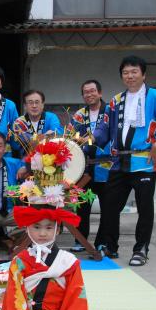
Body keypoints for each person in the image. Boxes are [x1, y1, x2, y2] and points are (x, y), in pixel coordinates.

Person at [0, 140, 113, 310]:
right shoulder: (18, 262)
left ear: (58, 230)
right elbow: (14, 301)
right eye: (37, 227)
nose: (42, 233)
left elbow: (76, 299)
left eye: (49, 228)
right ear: (28, 229)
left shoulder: (69, 263)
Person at [94, 55, 156, 266]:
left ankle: (141, 249)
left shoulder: (155, 96)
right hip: (118, 162)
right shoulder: (115, 101)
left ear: (143, 74)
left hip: (144, 162)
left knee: (144, 208)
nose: (130, 76)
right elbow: (103, 130)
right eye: (126, 72)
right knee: (111, 207)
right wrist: (86, 142)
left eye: (134, 72)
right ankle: (109, 246)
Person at [70, 79, 109, 253]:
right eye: (86, 92)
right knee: (82, 207)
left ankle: (103, 242)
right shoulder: (79, 115)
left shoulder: (110, 111)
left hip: (107, 167)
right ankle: (80, 240)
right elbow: (71, 136)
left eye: (93, 91)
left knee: (108, 207)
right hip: (84, 169)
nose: (89, 94)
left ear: (100, 93)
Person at [11, 90, 63, 156]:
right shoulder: (19, 122)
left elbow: (57, 133)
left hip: (50, 159)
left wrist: (38, 139)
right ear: (25, 106)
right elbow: (26, 141)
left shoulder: (51, 117)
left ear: (42, 105)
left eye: (37, 102)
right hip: (27, 161)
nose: (34, 106)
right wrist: (46, 136)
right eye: (30, 103)